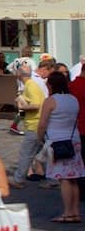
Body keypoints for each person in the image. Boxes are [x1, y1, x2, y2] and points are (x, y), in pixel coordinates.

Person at [37, 74, 81, 223]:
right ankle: (75, 212)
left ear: (50, 85)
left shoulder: (51, 101)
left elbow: (42, 124)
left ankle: (68, 213)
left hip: (57, 142)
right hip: (73, 140)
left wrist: (40, 138)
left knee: (64, 179)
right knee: (74, 178)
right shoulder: (73, 99)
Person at [9, 60, 50, 186]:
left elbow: (36, 105)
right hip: (37, 123)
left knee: (26, 153)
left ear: (19, 75)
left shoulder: (30, 85)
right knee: (45, 152)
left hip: (35, 124)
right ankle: (53, 179)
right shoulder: (31, 84)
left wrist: (22, 106)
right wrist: (19, 118)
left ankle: (18, 179)